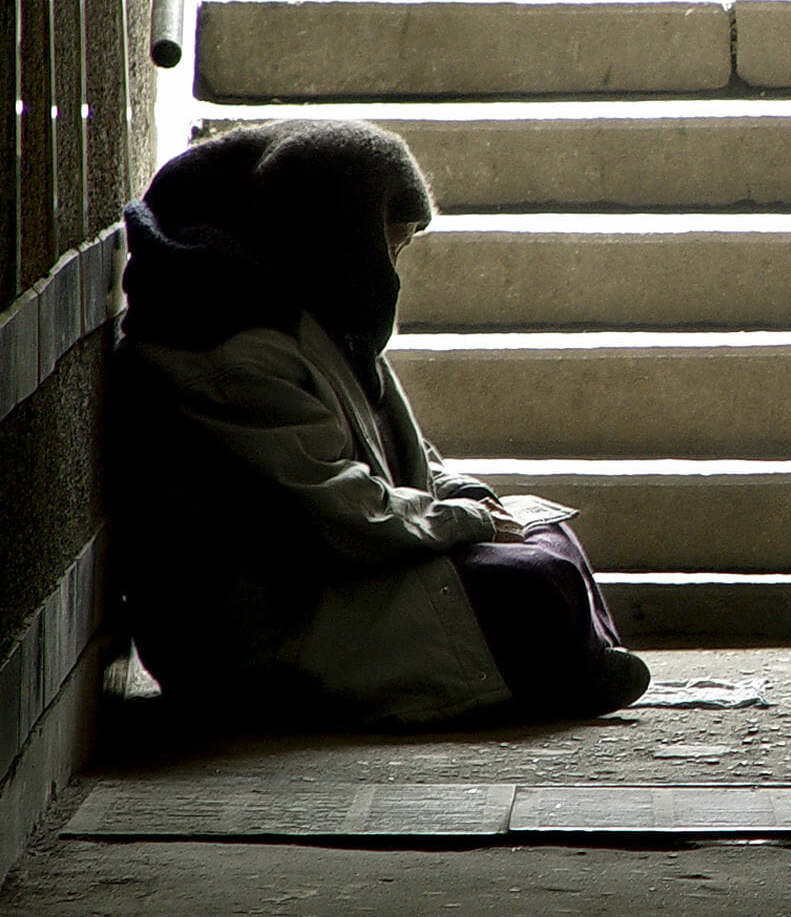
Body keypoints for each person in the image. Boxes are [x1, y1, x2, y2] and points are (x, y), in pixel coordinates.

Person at [108, 119, 648, 729]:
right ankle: (562, 670)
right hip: (272, 619)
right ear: (339, 239)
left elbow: (400, 449)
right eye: (387, 248)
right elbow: (337, 511)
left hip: (347, 572)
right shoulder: (226, 351)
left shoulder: (307, 311)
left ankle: (572, 664)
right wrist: (465, 522)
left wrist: (472, 498)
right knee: (531, 582)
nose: (390, 270)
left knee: (549, 536)